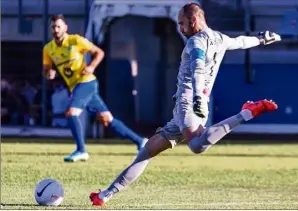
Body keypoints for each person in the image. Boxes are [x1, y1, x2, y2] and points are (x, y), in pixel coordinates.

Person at [89, 2, 281, 206]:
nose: (180, 28)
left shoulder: (195, 43)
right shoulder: (220, 38)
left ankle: (245, 114)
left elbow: (198, 67)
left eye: (182, 23)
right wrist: (261, 39)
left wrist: (197, 96)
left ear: (194, 20)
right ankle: (104, 196)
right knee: (147, 151)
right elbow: (240, 42)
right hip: (191, 107)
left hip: (188, 103)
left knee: (197, 146)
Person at [43, 14, 148, 162]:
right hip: (76, 87)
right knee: (107, 120)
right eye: (53, 27)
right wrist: (49, 73)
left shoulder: (75, 40)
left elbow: (99, 52)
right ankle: (140, 141)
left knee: (71, 113)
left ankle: (81, 150)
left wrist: (91, 66)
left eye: (59, 26)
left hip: (86, 83)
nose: (56, 29)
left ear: (65, 28)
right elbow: (47, 70)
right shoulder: (48, 49)